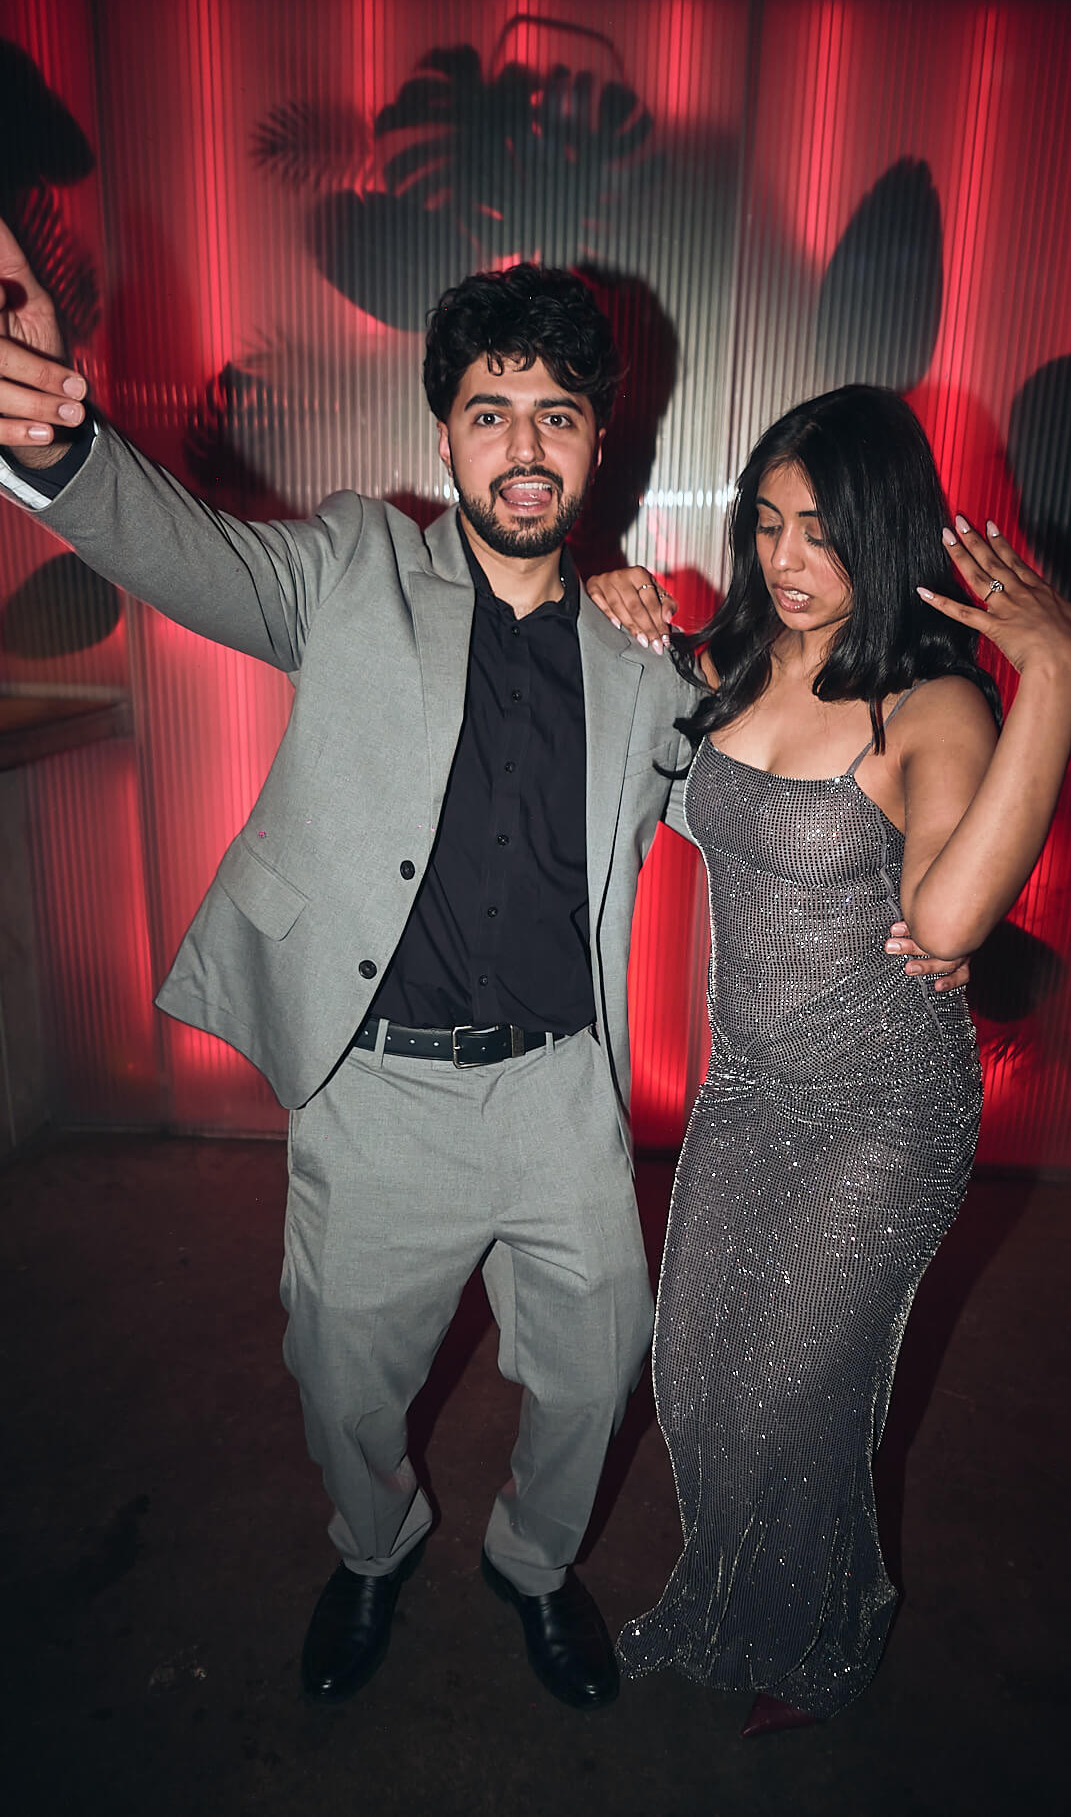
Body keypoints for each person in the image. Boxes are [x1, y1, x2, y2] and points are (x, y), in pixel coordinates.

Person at [0, 223, 963, 1713]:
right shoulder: (349, 569)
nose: (524, 447)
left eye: (556, 416)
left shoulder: (649, 659)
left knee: (597, 1369)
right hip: (378, 1087)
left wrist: (923, 925)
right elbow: (184, 552)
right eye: (491, 412)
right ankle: (371, 1548)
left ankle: (532, 1562)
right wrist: (55, 448)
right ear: (444, 435)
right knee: (343, 1378)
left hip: (558, 1095)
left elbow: (796, 790)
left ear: (596, 447)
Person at [587, 386, 1071, 1734]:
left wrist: (1056, 680)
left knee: (793, 1401)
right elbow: (623, 730)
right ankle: (737, 1594)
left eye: (823, 534)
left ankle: (818, 1635)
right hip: (746, 1090)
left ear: (883, 534)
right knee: (695, 1386)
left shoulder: (932, 704)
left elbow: (946, 925)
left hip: (881, 1113)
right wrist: (607, 598)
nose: (787, 559)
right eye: (768, 524)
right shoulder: (729, 663)